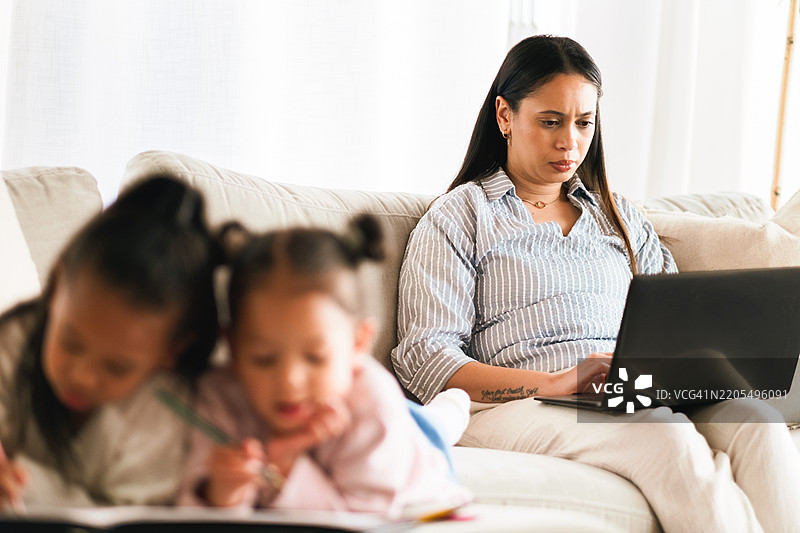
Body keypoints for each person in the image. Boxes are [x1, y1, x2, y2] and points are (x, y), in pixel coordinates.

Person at [391, 35, 800, 533]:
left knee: (757, 421)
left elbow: (674, 321)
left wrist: (705, 364)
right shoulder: (461, 216)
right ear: (504, 115)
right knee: (663, 437)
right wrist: (555, 383)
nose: (570, 143)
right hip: (519, 403)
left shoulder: (619, 217)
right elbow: (426, 360)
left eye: (584, 123)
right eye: (550, 122)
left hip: (630, 390)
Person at [178, 216, 471, 517]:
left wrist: (287, 468)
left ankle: (455, 405)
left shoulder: (372, 404)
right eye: (263, 358)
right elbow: (193, 506)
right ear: (232, 347)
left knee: (433, 427)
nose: (289, 382)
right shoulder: (219, 395)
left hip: (409, 445)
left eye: (315, 357)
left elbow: (367, 520)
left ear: (358, 344)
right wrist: (223, 493)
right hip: (391, 416)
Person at [0, 175, 220, 509]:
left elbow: (130, 517)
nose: (82, 376)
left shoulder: (165, 408)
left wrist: (24, 484)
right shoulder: (13, 342)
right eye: (70, 344)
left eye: (118, 367)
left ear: (172, 350)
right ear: (56, 287)